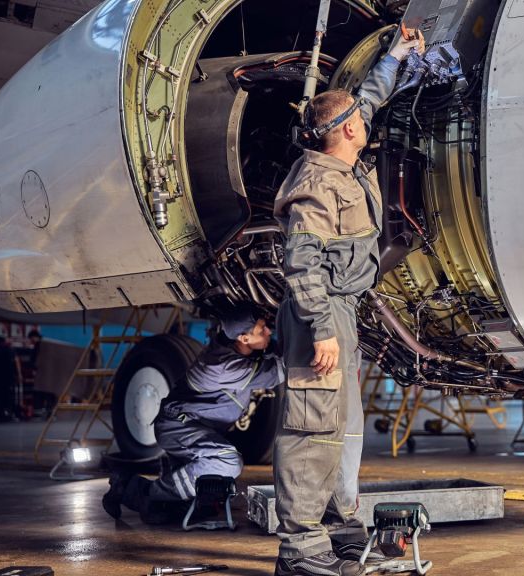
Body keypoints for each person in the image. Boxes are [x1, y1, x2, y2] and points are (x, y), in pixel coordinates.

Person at [271, 29, 426, 576]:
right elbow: (300, 263)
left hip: (342, 309)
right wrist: (321, 329)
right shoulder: (317, 181)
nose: (367, 118)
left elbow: (372, 94)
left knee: (334, 424)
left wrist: (397, 56)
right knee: (310, 429)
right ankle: (299, 551)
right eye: (359, 116)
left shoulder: (341, 159)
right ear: (347, 131)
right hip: (321, 312)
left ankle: (336, 531)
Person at [102, 306, 282, 522]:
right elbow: (276, 372)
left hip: (190, 425)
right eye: (262, 330)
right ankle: (144, 491)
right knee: (228, 462)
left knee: (184, 508)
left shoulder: (232, 347)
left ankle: (133, 490)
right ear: (244, 338)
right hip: (178, 426)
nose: (268, 332)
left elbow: (270, 350)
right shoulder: (224, 366)